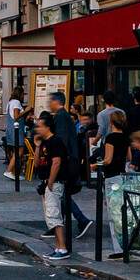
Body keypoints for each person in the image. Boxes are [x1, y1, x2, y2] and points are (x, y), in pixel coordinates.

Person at [45, 90, 91, 239]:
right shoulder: (63, 116)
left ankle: (80, 220)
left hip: (67, 161)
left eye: (50, 101)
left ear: (56, 102)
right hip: (68, 159)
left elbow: (62, 141)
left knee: (61, 193)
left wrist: (57, 159)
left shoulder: (61, 117)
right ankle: (60, 225)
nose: (48, 104)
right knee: (61, 193)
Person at [36, 113, 72, 260]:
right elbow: (37, 163)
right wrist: (37, 146)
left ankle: (62, 248)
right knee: (50, 216)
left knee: (54, 215)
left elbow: (56, 162)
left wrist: (50, 181)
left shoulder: (55, 142)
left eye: (40, 126)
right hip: (47, 182)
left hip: (54, 182)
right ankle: (58, 246)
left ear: (47, 127)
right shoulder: (45, 143)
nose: (37, 129)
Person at [98, 110, 132, 258]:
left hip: (111, 176)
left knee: (113, 214)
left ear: (111, 123)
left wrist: (96, 164)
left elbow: (108, 159)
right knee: (121, 212)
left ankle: (118, 248)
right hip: (121, 175)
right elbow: (129, 156)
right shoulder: (125, 138)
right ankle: (126, 245)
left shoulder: (110, 138)